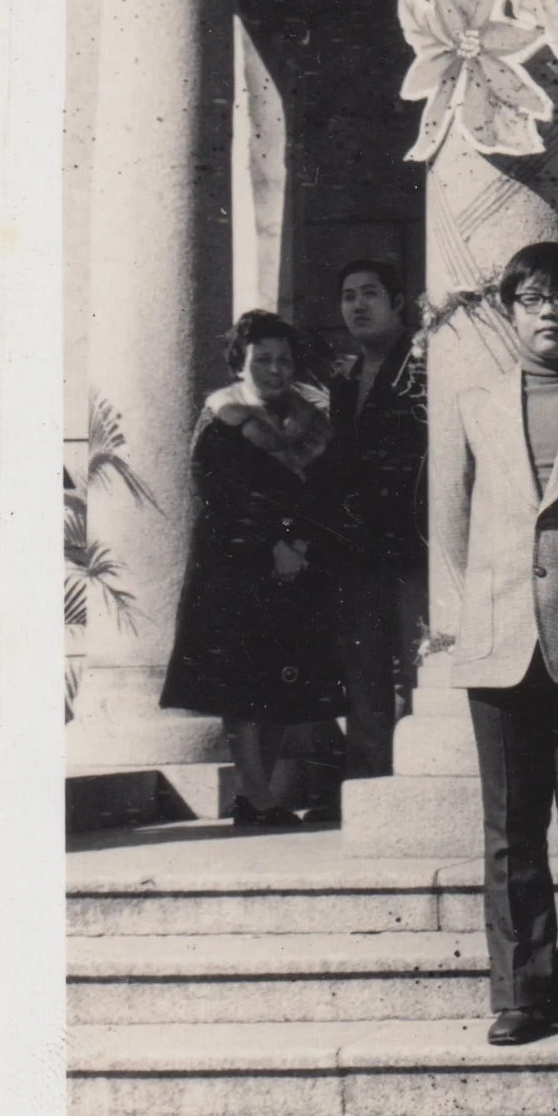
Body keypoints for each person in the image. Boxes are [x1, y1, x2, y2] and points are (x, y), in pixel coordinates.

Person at [430, 244, 558, 1047]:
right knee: (511, 827)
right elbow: (450, 522)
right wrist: (472, 614)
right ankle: (521, 991)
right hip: (499, 636)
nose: (549, 313)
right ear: (509, 312)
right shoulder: (473, 405)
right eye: (532, 299)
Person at [160, 309, 347, 826]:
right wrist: (273, 545)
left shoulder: (311, 424)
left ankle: (258, 794)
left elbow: (324, 495)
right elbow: (221, 492)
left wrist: (300, 544)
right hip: (235, 564)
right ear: (239, 364)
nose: (275, 369)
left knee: (283, 678)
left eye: (284, 360)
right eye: (262, 359)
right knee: (242, 681)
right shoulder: (222, 421)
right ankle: (253, 792)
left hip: (296, 566)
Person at [326, 259, 427, 788]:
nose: (358, 305)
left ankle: (415, 778)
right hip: (358, 551)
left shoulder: (424, 365)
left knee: (417, 666)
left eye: (369, 293)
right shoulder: (343, 380)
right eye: (348, 296)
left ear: (398, 303)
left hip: (414, 548)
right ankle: (367, 784)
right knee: (363, 671)